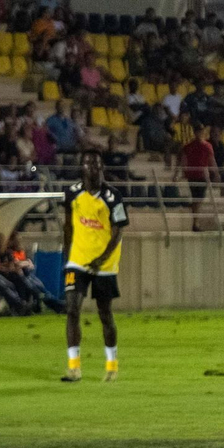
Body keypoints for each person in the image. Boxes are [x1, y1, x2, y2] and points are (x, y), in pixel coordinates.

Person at [60, 150, 127, 382]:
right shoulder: (72, 193)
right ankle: (74, 367)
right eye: (89, 164)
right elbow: (68, 225)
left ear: (102, 169)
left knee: (105, 313)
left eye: (97, 164)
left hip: (104, 264)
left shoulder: (113, 197)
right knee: (72, 308)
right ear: (82, 168)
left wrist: (102, 258)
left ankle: (111, 365)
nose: (93, 168)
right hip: (77, 260)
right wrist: (67, 254)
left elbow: (118, 231)